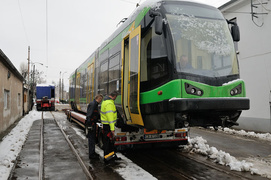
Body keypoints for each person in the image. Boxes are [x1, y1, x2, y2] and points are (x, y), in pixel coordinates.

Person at [100, 91, 121, 163]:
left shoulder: (105, 101)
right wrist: (112, 129)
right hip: (108, 126)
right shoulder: (109, 103)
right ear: (114, 96)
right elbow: (110, 118)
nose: (116, 98)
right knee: (108, 143)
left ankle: (111, 157)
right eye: (116, 97)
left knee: (109, 142)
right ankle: (107, 159)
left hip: (106, 125)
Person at [86, 94, 103, 160]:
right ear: (98, 98)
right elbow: (89, 115)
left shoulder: (95, 104)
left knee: (93, 139)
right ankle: (91, 155)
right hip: (91, 124)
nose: (101, 101)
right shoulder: (93, 104)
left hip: (93, 123)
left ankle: (92, 152)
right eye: (101, 99)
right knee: (91, 140)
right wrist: (90, 125)